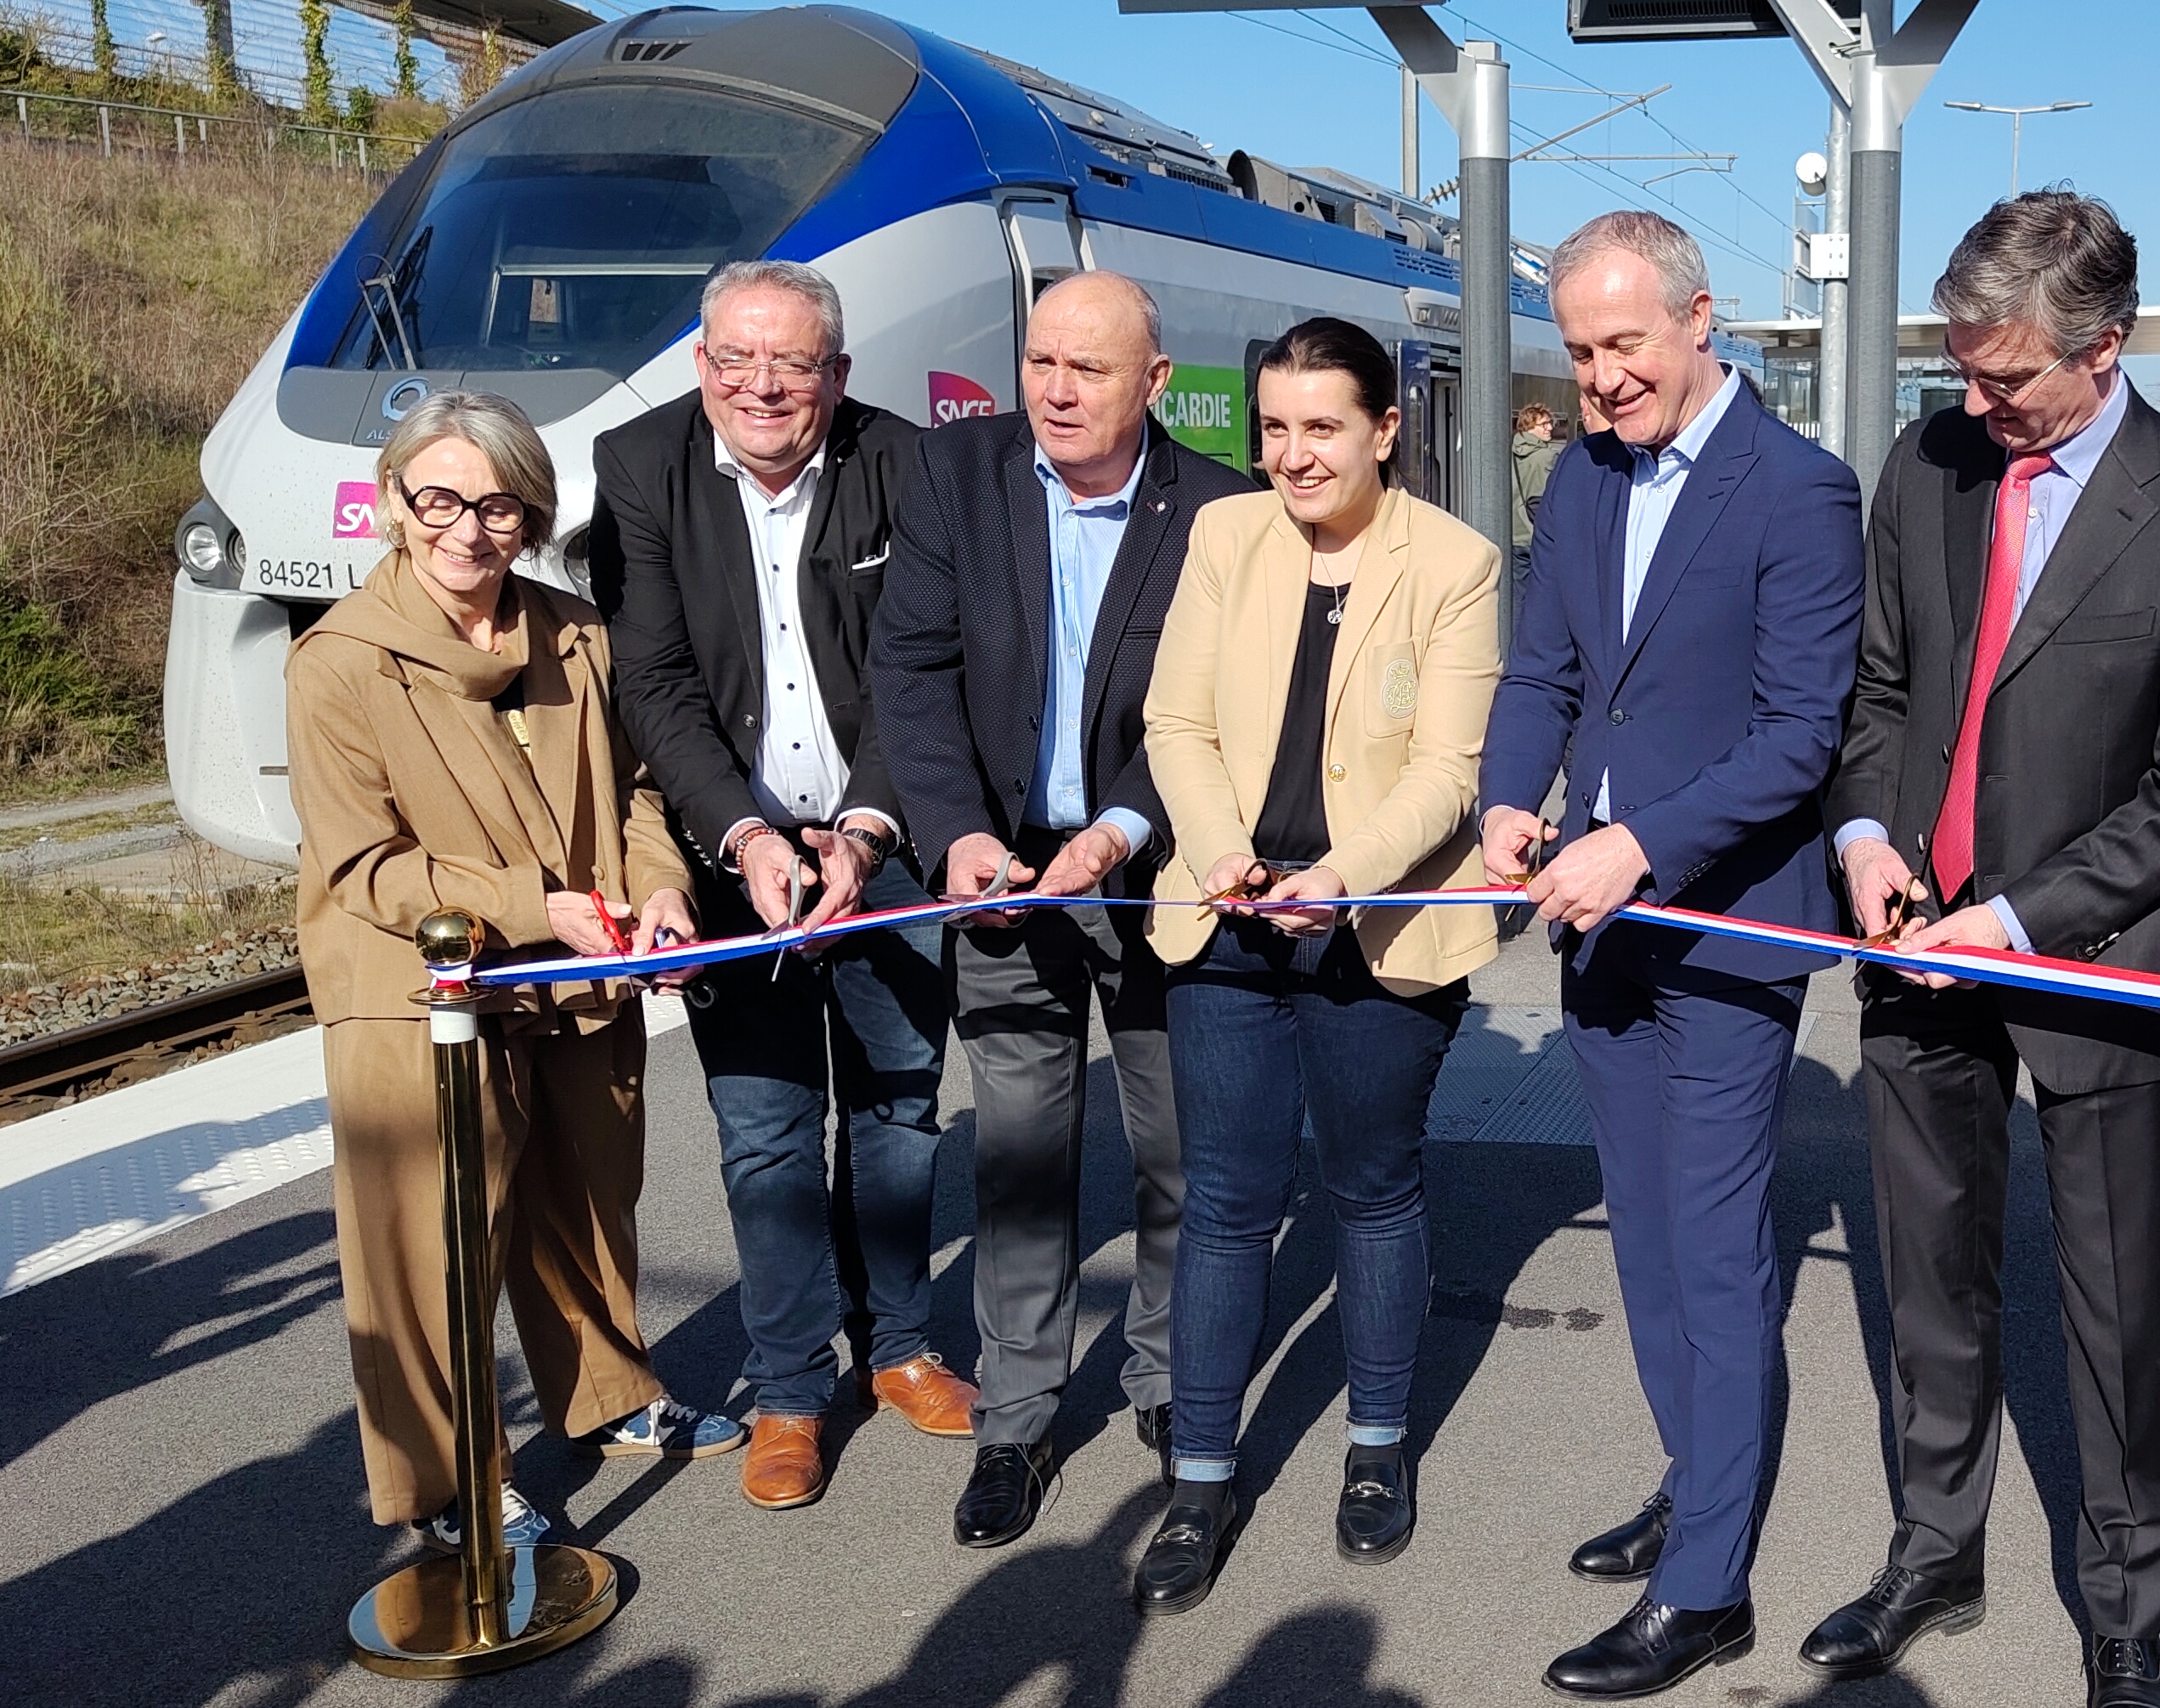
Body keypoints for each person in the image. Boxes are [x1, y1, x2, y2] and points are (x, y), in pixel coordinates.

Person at [1814, 189, 2160, 1708]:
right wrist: (1869, 835)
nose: (1976, 403)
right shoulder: (1927, 467)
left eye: (2006, 377)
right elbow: (1878, 686)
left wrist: (2013, 913)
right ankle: (1933, 1550)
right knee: (1928, 1285)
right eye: (1960, 368)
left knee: (2117, 1314)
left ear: (2105, 345)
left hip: (2090, 966)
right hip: (1908, 949)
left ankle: (2130, 1609)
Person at [1479, 209, 1863, 1700]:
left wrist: (1639, 845)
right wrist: (1513, 796)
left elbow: (1797, 739)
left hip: (1722, 927)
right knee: (1641, 1238)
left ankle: (1708, 1588)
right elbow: (1545, 672)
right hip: (1598, 930)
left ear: (1704, 322)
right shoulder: (1578, 484)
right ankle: (1695, 1476)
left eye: (1623, 345)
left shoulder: (1799, 492)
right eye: (1577, 353)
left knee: (1714, 1255)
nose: (1600, 380)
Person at [288, 388, 741, 1553]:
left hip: (579, 972)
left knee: (587, 1199)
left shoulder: (576, 634)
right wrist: (527, 908)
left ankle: (610, 1395)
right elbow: (365, 867)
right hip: (422, 995)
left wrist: (664, 889)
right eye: (437, 497)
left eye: (497, 504)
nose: (466, 529)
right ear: (393, 505)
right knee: (434, 1243)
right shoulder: (337, 664)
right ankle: (448, 1485)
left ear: (531, 514)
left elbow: (638, 795)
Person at [872, 269, 1259, 1550]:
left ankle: (1161, 1380)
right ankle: (1017, 1422)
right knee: (1022, 1158)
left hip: (1153, 877)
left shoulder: (1218, 509)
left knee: (1175, 1153)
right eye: (1040, 361)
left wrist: (1125, 826)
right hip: (1001, 882)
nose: (1054, 389)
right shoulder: (957, 477)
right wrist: (958, 834)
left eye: (1088, 370)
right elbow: (912, 674)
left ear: (1155, 385)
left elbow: (1223, 716)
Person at [1125, 318, 1503, 1610]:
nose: (1292, 455)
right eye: (1275, 428)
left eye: (1322, 428)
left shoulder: (1454, 563)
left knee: (1371, 1190)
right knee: (1225, 1199)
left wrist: (1337, 879)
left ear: (1385, 431)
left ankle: (1379, 1449)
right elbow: (1173, 719)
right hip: (1226, 919)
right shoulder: (1225, 535)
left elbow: (1452, 776)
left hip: (1376, 932)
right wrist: (1231, 861)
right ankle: (1200, 1477)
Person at [591, 258, 973, 1513]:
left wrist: (861, 834)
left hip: (888, 837)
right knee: (763, 1137)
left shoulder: (908, 467)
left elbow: (926, 669)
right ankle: (790, 1389)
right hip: (728, 853)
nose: (764, 386)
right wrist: (747, 838)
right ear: (703, 366)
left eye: (794, 363)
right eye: (737, 360)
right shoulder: (637, 470)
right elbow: (653, 684)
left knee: (900, 1112)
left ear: (837, 377)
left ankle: (903, 1347)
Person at [1510, 400, 1565, 596]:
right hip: (1535, 533)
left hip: (1514, 533)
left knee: (1518, 595)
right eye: (1544, 424)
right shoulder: (1547, 457)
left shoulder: (1508, 454)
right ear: (1529, 426)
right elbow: (1547, 499)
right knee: (1541, 594)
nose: (1550, 428)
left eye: (1551, 423)